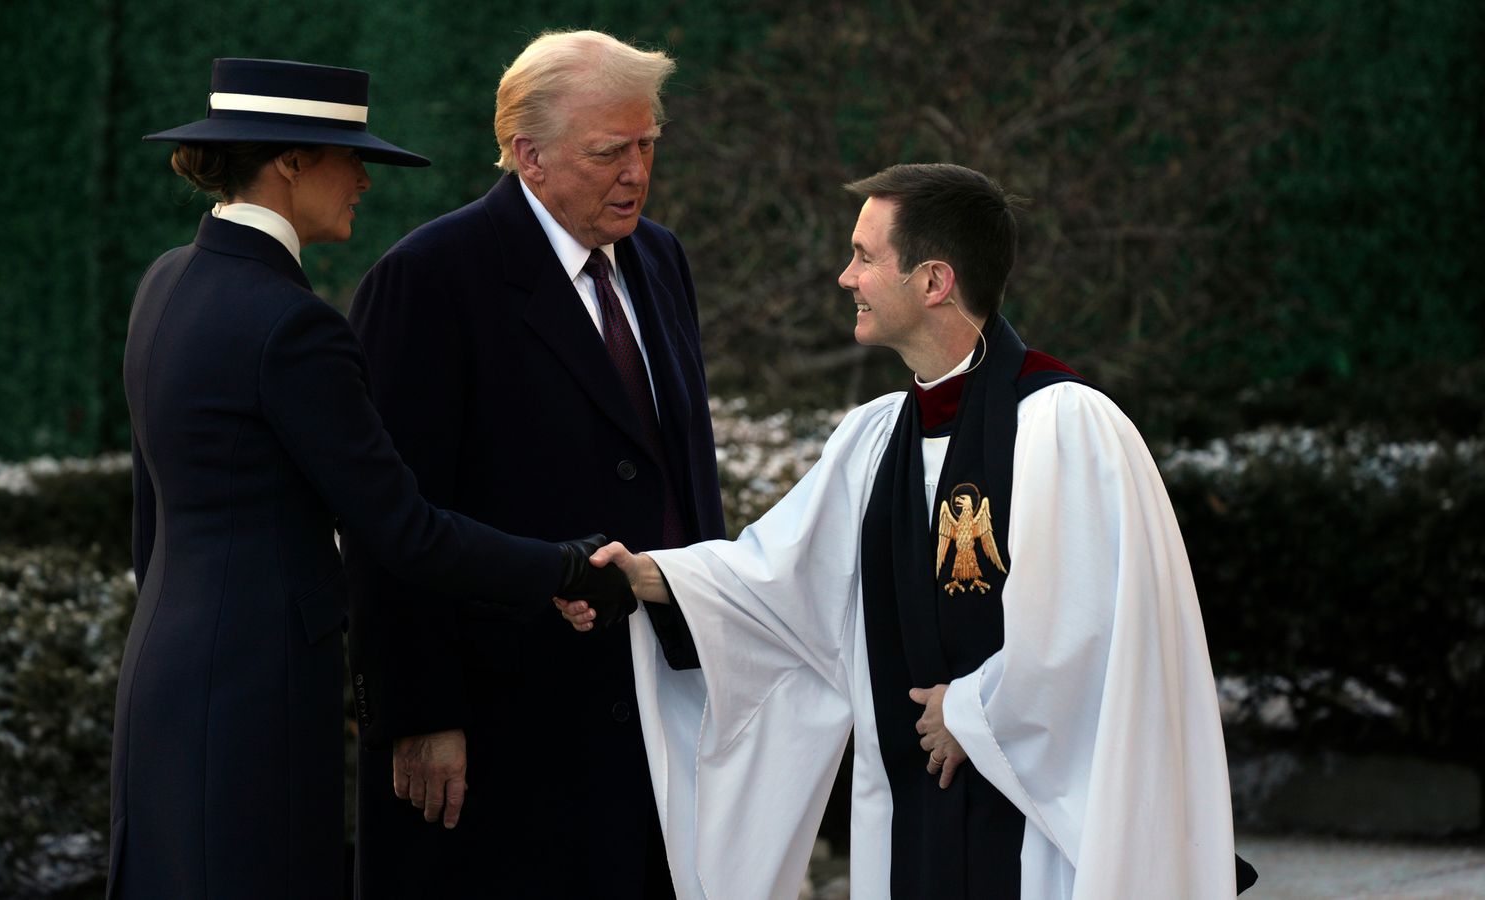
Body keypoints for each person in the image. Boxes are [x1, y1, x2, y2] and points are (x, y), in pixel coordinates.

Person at [560, 164, 1258, 898]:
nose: (844, 277)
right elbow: (780, 580)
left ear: (933, 282)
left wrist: (973, 711)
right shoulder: (875, 439)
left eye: (864, 257)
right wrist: (648, 575)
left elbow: (1095, 637)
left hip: (1035, 837)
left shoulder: (1066, 428)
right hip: (912, 815)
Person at [111, 58, 633, 900]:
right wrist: (568, 567)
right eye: (346, 157)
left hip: (162, 681)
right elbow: (402, 529)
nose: (360, 179)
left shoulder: (167, 281)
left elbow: (154, 520)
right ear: (288, 161)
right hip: (257, 693)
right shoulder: (292, 326)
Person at [343, 30, 725, 899]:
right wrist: (419, 712)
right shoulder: (430, 279)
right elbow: (388, 518)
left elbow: (680, 472)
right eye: (608, 152)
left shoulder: (661, 258)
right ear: (529, 156)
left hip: (658, 700)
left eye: (647, 146)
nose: (636, 172)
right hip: (504, 718)